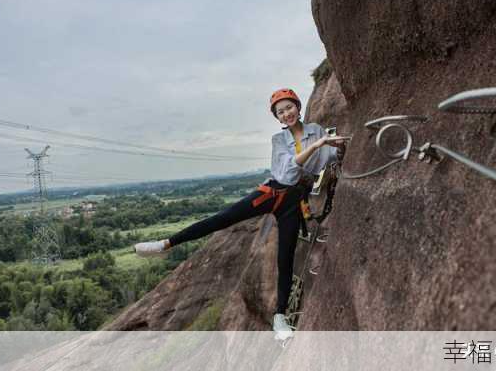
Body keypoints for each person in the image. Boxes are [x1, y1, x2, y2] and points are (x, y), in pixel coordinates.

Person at [134, 88, 346, 337]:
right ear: (277, 118)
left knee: (285, 258)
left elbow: (327, 159)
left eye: (289, 108)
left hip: (293, 202)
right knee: (222, 218)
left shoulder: (316, 131)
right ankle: (164, 244)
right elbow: (287, 173)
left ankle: (280, 318)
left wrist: (338, 148)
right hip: (271, 194)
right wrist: (318, 146)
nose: (286, 114)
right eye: (280, 112)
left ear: (298, 107)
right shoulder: (278, 141)